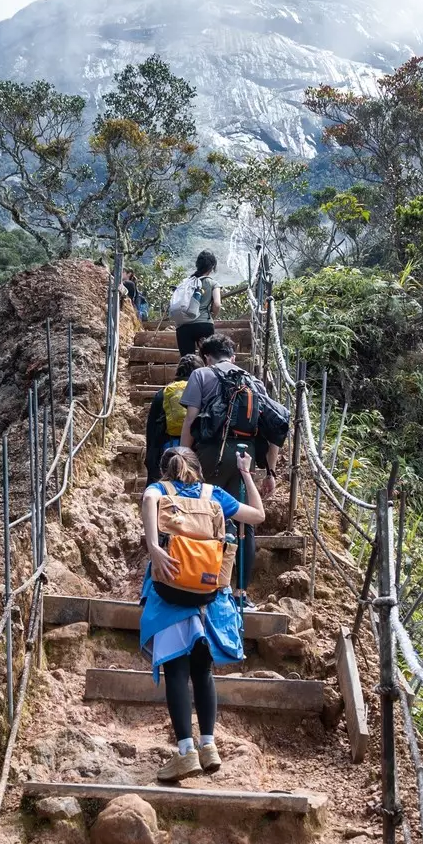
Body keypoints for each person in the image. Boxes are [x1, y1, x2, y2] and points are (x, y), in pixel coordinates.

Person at [139, 446, 265, 782]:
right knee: (203, 672)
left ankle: (186, 753)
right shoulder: (215, 495)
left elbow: (148, 501)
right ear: (198, 468)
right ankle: (209, 745)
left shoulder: (159, 491)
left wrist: (153, 545)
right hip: (209, 597)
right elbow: (258, 515)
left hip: (170, 592)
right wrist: (246, 473)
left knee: (176, 672)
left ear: (166, 470)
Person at [178, 332, 280, 601]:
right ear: (234, 357)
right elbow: (273, 426)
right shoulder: (254, 381)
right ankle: (241, 591)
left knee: (201, 513)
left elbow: (190, 421)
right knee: (244, 522)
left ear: (206, 357)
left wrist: (184, 456)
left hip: (211, 453)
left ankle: (200, 579)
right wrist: (270, 471)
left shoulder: (201, 375)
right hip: (245, 457)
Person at [144, 355, 199, 485]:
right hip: (194, 449)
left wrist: (151, 457)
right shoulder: (201, 393)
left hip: (167, 446)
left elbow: (151, 428)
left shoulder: (164, 393)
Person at [170, 250, 222, 355]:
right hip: (204, 325)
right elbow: (217, 304)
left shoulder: (186, 282)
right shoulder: (213, 283)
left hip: (183, 326)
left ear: (198, 265)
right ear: (212, 267)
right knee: (208, 359)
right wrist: (212, 316)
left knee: (187, 361)